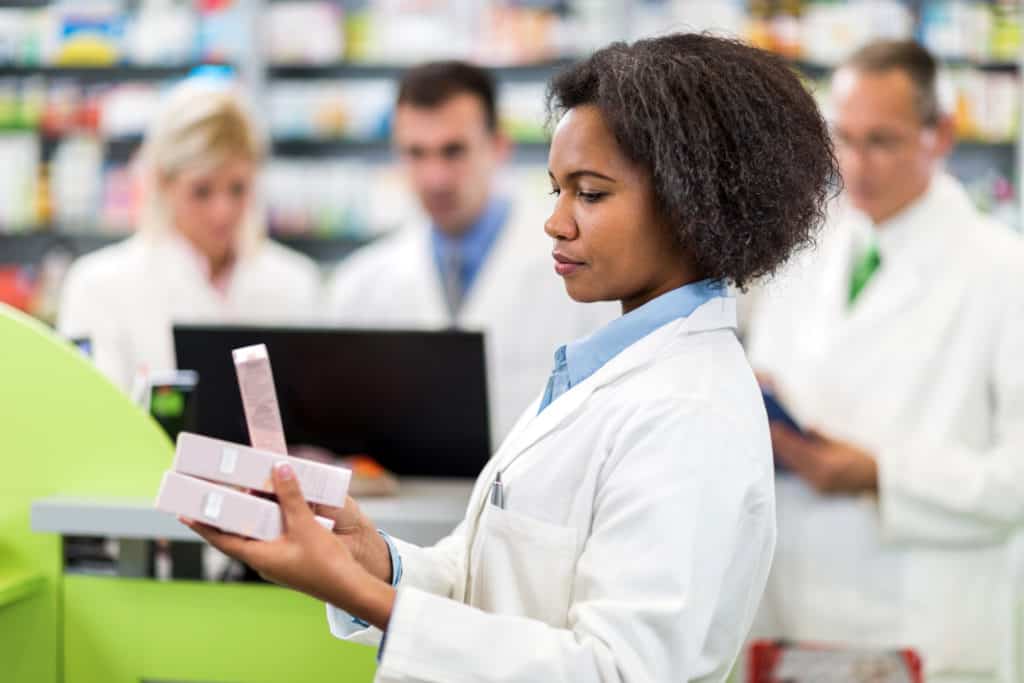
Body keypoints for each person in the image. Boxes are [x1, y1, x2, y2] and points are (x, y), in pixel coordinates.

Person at [187, 33, 838, 682]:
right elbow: (501, 581)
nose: (556, 221)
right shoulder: (613, 369)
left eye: (590, 193)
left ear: (690, 204)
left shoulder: (689, 412)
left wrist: (366, 597)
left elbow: (617, 670)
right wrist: (375, 560)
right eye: (557, 189)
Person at [745, 40, 1024, 682]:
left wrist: (878, 475)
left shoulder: (1002, 272)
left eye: (883, 141)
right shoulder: (797, 259)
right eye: (843, 136)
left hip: (924, 620)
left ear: (941, 134)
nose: (855, 164)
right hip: (793, 613)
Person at [325, 61, 616, 443]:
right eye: (416, 153)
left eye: (453, 151)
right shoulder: (360, 282)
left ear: (498, 147)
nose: (435, 178)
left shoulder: (580, 266)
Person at [58, 80, 321, 392]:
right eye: (202, 191)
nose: (222, 211)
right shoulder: (99, 287)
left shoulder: (295, 283)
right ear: (163, 183)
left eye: (238, 188)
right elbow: (97, 419)